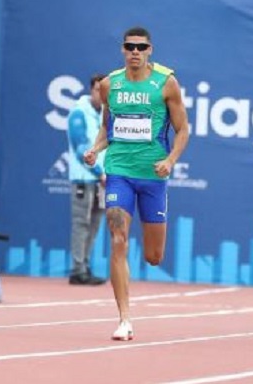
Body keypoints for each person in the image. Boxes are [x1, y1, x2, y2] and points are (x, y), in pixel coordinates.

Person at [83, 27, 190, 341]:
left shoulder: (166, 83)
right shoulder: (109, 85)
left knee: (154, 256)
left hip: (153, 177)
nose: (135, 52)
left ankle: (150, 258)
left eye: (141, 47)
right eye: (129, 46)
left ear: (150, 50)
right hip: (118, 172)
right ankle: (124, 319)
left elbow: (183, 130)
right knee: (118, 240)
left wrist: (170, 160)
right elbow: (107, 129)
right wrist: (95, 149)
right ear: (122, 49)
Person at [66, 72, 108, 286]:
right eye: (97, 89)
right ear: (91, 90)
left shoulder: (106, 115)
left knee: (94, 225)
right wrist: (99, 172)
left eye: (105, 90)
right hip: (85, 179)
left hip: (102, 180)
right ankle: (77, 269)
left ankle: (85, 265)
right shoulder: (79, 113)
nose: (101, 94)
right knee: (81, 224)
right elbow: (81, 148)